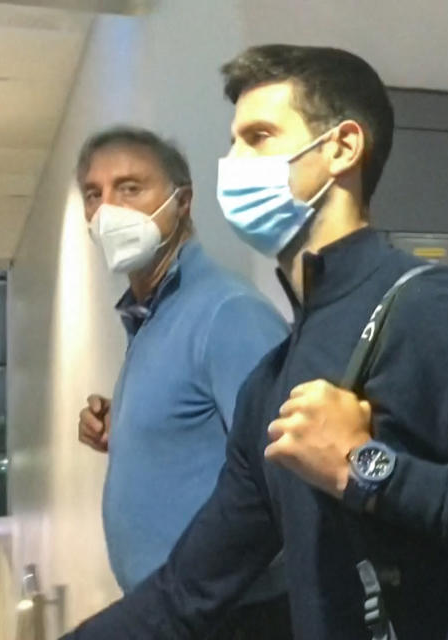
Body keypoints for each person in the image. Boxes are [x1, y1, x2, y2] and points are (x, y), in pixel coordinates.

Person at [63, 45, 448, 640]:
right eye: (233, 141)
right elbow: (185, 594)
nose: (233, 162)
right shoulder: (273, 379)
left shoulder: (433, 308)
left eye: (260, 136)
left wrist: (367, 469)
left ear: (342, 149)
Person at [74, 126, 291, 638]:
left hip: (232, 613)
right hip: (178, 612)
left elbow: (281, 480)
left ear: (182, 202)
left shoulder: (228, 312)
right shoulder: (150, 315)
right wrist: (128, 429)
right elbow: (207, 433)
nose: (108, 210)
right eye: (93, 193)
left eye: (130, 188)